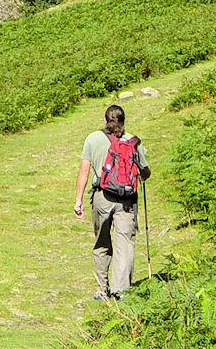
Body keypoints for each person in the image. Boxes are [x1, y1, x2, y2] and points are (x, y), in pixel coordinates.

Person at [74, 104, 150, 300]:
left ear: (105, 120)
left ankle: (102, 288)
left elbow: (84, 170)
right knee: (124, 243)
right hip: (126, 199)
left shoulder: (92, 139)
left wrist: (78, 200)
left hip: (102, 197)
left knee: (102, 242)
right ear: (123, 121)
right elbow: (145, 172)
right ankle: (121, 291)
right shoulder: (133, 142)